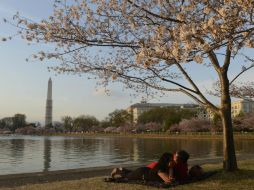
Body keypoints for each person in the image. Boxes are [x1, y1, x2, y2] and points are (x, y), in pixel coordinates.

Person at [110, 152, 174, 183]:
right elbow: (168, 181)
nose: (172, 162)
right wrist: (171, 169)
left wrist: (170, 168)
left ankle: (122, 169)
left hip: (145, 171)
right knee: (128, 176)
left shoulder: (163, 166)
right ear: (166, 160)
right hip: (141, 173)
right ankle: (118, 170)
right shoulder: (161, 169)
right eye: (171, 160)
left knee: (131, 173)